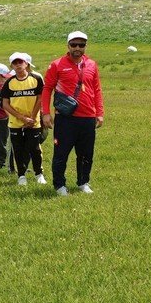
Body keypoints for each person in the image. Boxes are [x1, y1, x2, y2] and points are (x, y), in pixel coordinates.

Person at [42, 31, 104, 196]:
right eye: (74, 45)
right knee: (61, 153)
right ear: (68, 45)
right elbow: (47, 89)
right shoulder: (57, 65)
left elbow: (96, 89)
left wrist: (99, 112)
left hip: (88, 117)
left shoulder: (92, 64)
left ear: (85, 46)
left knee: (86, 154)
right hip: (65, 118)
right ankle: (59, 185)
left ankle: (83, 182)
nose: (77, 48)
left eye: (81, 45)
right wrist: (46, 113)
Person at [1, 52, 46, 186]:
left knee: (34, 148)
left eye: (20, 62)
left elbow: (40, 98)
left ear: (26, 63)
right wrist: (21, 117)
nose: (18, 65)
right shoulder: (9, 82)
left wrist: (32, 117)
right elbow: (5, 104)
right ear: (12, 66)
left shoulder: (36, 78)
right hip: (15, 122)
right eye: (15, 63)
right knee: (18, 149)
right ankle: (21, 175)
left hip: (34, 122)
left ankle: (39, 173)